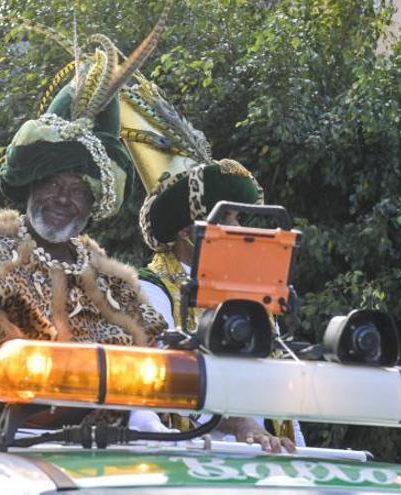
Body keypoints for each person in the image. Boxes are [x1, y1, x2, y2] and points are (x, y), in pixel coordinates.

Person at [0, 14, 172, 427]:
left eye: (78, 189)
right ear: (30, 185)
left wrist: (236, 423)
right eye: (51, 183)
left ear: (94, 202)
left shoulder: (115, 284)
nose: (63, 198)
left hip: (100, 465)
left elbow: (161, 369)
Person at [120, 77, 303, 452]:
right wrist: (239, 423)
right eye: (233, 218)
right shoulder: (151, 290)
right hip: (186, 459)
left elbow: (281, 390)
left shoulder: (255, 294)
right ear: (190, 232)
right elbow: (167, 379)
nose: (243, 230)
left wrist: (296, 450)